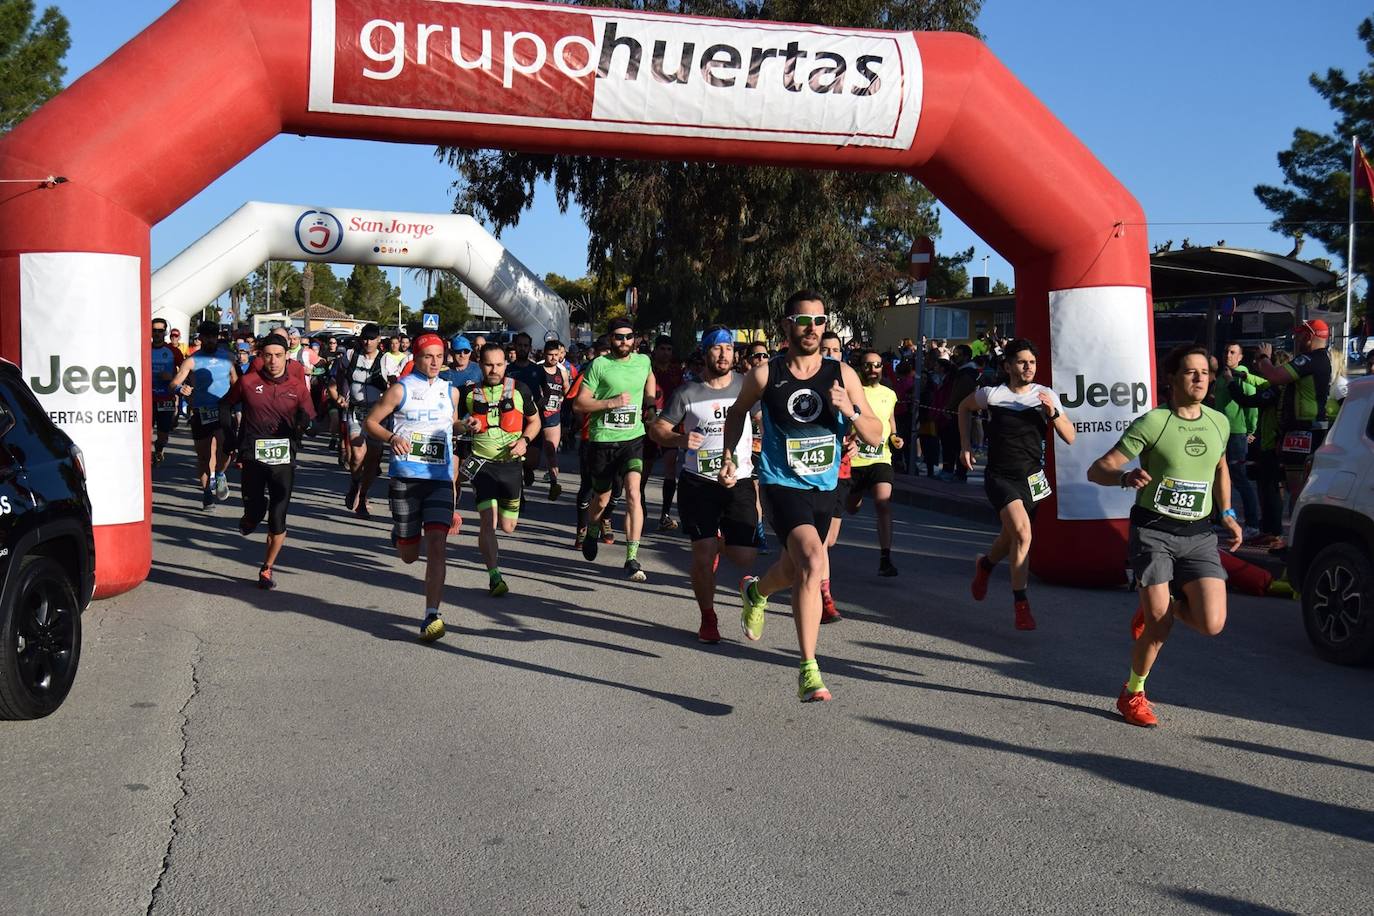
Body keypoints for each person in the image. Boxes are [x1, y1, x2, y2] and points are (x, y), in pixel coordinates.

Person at [719, 290, 882, 702]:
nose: (812, 328)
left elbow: (876, 434)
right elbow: (737, 412)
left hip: (825, 487)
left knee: (795, 570)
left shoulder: (843, 374)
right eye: (803, 320)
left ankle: (756, 592)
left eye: (819, 321)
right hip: (780, 483)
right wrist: (728, 456)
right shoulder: (765, 375)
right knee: (813, 558)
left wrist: (853, 410)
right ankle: (809, 668)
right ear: (786, 326)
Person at [1087, 346, 1241, 728]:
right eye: (1190, 372)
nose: (1200, 378)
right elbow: (1098, 469)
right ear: (1172, 379)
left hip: (1199, 533)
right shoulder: (1154, 423)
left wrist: (1228, 513)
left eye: (1205, 372)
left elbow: (1220, 468)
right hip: (1154, 531)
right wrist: (1124, 477)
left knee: (1212, 623)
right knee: (1159, 625)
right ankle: (1133, 693)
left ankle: (1162, 605)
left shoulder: (1219, 422)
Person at [649, 326, 761, 642]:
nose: (724, 353)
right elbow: (657, 429)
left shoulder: (747, 387)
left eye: (729, 348)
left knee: (744, 558)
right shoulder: (687, 392)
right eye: (717, 348)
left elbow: (765, 420)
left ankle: (732, 567)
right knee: (702, 551)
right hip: (698, 482)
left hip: (737, 480)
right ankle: (708, 618)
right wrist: (680, 439)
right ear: (706, 353)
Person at [959, 339, 1075, 630]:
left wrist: (1054, 414)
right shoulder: (992, 394)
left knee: (1011, 538)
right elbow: (963, 407)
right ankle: (1021, 604)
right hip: (1000, 476)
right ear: (1008, 365)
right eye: (1022, 362)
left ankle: (985, 565)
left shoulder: (1045, 395)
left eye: (1032, 362)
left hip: (1032, 478)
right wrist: (965, 446)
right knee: (1023, 534)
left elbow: (1070, 436)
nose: (1028, 367)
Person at [364, 333, 463, 641]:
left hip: (439, 479)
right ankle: (403, 534)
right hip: (406, 476)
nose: (434, 362)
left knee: (437, 545)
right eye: (427, 356)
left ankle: (432, 613)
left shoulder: (452, 391)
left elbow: (453, 424)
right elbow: (372, 422)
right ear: (416, 358)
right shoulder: (401, 388)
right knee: (409, 555)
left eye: (438, 356)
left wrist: (466, 425)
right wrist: (392, 438)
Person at [223, 335, 315, 589]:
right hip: (253, 456)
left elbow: (310, 419)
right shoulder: (248, 382)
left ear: (287, 356)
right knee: (253, 512)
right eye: (268, 355)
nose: (273, 361)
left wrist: (302, 424)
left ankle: (267, 567)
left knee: (278, 517)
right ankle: (252, 514)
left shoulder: (297, 387)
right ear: (260, 357)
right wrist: (230, 438)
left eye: (278, 355)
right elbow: (225, 406)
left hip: (284, 458)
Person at [574, 317, 656, 582]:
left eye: (629, 337)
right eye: (619, 337)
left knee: (634, 492)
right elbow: (580, 404)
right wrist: (611, 403)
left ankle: (632, 556)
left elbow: (650, 378)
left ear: (636, 339)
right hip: (603, 441)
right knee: (601, 498)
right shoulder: (599, 365)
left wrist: (651, 405)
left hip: (633, 438)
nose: (624, 342)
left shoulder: (643, 361)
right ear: (610, 339)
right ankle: (593, 528)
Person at [458, 343, 541, 596]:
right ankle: (494, 576)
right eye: (488, 364)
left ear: (507, 363)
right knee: (488, 521)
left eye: (499, 364)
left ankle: (514, 503)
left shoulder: (520, 390)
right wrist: (464, 425)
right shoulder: (468, 393)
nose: (494, 369)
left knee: (508, 526)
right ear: (479, 364)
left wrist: (524, 441)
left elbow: (535, 421)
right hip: (482, 464)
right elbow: (454, 424)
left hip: (511, 466)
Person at [1250, 319, 1333, 503]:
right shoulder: (1323, 359)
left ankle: (1297, 528)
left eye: (1299, 335)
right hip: (1305, 428)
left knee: (1298, 490)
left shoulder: (1310, 359)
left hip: (1303, 429)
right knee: (1297, 486)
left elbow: (1274, 376)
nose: (1296, 339)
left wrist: (1264, 357)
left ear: (1309, 336)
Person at [168, 321, 238, 509]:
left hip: (223, 410)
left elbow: (236, 382)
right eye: (206, 337)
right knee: (203, 457)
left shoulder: (228, 358)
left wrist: (239, 403)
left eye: (212, 336)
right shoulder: (192, 360)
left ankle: (220, 473)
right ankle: (207, 493)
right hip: (201, 413)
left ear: (217, 338)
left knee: (226, 449)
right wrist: (181, 389)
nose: (209, 340)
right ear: (200, 338)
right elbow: (173, 384)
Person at [847, 348, 904, 577]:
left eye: (877, 365)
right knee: (851, 507)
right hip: (855, 461)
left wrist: (894, 438)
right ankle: (857, 498)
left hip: (881, 458)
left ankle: (885, 558)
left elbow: (890, 421)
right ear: (861, 368)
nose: (873, 369)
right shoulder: (854, 392)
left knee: (883, 502)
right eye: (868, 365)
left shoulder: (889, 394)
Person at [331, 323, 388, 518]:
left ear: (379, 340)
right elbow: (337, 376)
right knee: (356, 455)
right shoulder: (350, 356)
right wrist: (340, 394)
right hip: (355, 410)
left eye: (372, 338)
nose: (368, 341)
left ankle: (363, 497)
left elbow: (396, 385)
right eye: (365, 338)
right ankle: (355, 482)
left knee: (372, 460)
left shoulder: (387, 360)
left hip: (378, 414)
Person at [817, 331, 853, 621]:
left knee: (827, 541)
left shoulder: (849, 383)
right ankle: (825, 596)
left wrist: (856, 440)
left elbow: (866, 425)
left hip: (839, 470)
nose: (830, 354)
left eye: (835, 350)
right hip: (808, 475)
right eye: (824, 349)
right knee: (816, 542)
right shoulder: (803, 382)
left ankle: (764, 587)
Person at [1213, 343, 1260, 537]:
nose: (1228, 355)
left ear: (1240, 357)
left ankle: (1252, 524)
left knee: (1240, 479)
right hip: (1219, 433)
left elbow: (1252, 406)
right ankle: (1224, 519)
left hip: (1237, 434)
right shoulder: (1223, 377)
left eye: (1233, 352)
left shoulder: (1241, 376)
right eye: (1226, 351)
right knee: (1221, 479)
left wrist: (1251, 429)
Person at [646, 335, 684, 531]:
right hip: (647, 426)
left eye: (669, 350)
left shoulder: (677, 371)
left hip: (671, 426)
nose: (666, 353)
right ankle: (640, 508)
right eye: (662, 349)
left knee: (670, 468)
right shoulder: (646, 368)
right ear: (655, 350)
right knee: (644, 470)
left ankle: (665, 515)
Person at [506, 332, 546, 487]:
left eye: (525, 346)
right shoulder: (508, 370)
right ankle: (518, 491)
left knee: (532, 461)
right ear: (515, 347)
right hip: (514, 419)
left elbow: (546, 390)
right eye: (520, 345)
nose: (522, 348)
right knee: (514, 456)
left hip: (533, 418)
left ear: (530, 348)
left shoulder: (537, 370)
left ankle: (528, 469)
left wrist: (543, 401)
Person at [534, 339, 572, 501]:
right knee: (531, 455)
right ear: (544, 354)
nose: (554, 358)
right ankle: (527, 473)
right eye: (550, 355)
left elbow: (567, 392)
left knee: (551, 450)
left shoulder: (562, 372)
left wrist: (564, 404)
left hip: (553, 416)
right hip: (535, 416)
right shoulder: (536, 370)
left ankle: (554, 483)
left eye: (556, 355)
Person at [149, 318, 184, 467]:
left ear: (165, 332)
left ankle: (159, 449)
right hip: (147, 398)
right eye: (154, 330)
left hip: (165, 398)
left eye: (160, 331)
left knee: (163, 435)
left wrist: (171, 378)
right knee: (146, 432)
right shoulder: (143, 348)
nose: (157, 334)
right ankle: (147, 457)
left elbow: (184, 372)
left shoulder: (173, 351)